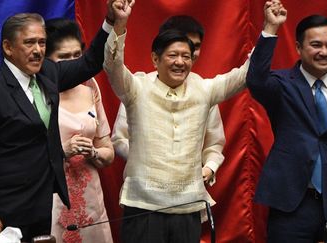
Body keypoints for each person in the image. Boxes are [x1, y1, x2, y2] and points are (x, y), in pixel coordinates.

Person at [0, 1, 129, 240]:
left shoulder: (48, 73)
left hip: (42, 205)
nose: (38, 49)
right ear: (8, 48)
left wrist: (111, 21)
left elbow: (90, 62)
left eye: (41, 42)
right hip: (1, 211)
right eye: (29, 42)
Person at [104, 1, 253, 241]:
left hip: (188, 205)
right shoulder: (137, 88)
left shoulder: (204, 90)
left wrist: (269, 31)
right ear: (155, 58)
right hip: (143, 204)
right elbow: (112, 66)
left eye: (187, 55)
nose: (181, 61)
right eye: (173, 55)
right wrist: (119, 23)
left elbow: (244, 76)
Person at [246, 1, 327, 242]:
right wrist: (270, 29)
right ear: (299, 47)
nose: (325, 52)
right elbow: (255, 80)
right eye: (316, 45)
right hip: (291, 204)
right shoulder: (282, 84)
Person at [111, 15, 225, 185]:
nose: (189, 53)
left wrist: (209, 167)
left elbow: (214, 143)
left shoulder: (205, 89)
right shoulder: (137, 86)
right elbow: (120, 139)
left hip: (188, 191)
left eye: (195, 47)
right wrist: (150, 161)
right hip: (145, 190)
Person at [45, 18, 114, 243]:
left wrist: (93, 152)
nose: (73, 63)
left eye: (77, 56)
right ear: (47, 61)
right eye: (64, 58)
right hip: (52, 199)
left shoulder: (90, 86)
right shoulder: (38, 92)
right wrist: (62, 150)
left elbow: (108, 151)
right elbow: (23, 157)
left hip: (91, 197)